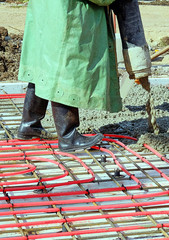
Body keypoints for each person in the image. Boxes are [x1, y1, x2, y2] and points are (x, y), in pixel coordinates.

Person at [17, 0, 121, 152]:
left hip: (47, 12)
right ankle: (68, 137)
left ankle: (29, 124)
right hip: (67, 15)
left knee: (45, 65)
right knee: (65, 71)